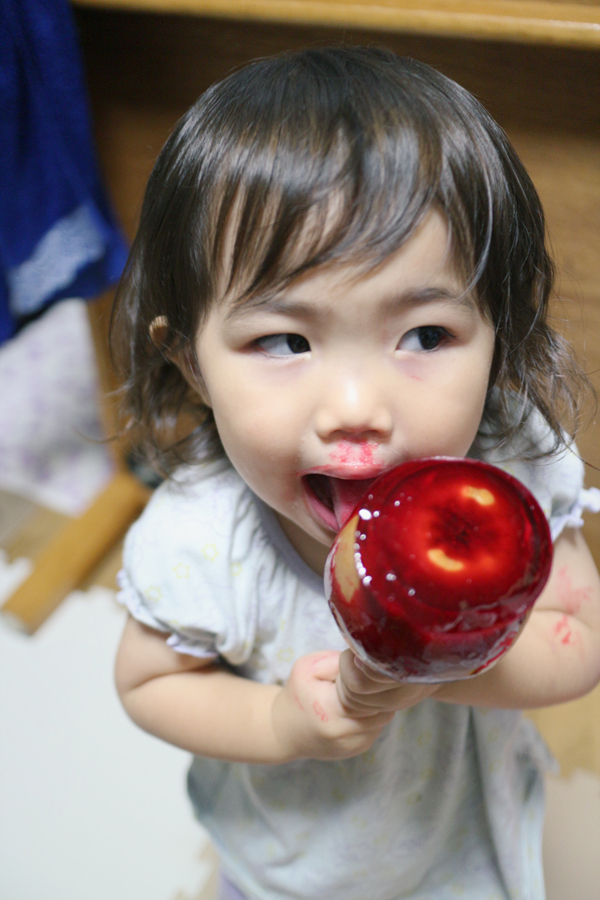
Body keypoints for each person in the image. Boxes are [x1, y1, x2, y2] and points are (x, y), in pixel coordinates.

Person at [111, 47, 600, 900]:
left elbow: (579, 638)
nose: (356, 407)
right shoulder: (198, 539)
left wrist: (451, 656)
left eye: (425, 336)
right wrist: (282, 723)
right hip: (286, 865)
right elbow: (150, 684)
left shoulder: (509, 474)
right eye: (284, 341)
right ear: (190, 363)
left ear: (497, 333)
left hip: (466, 848)